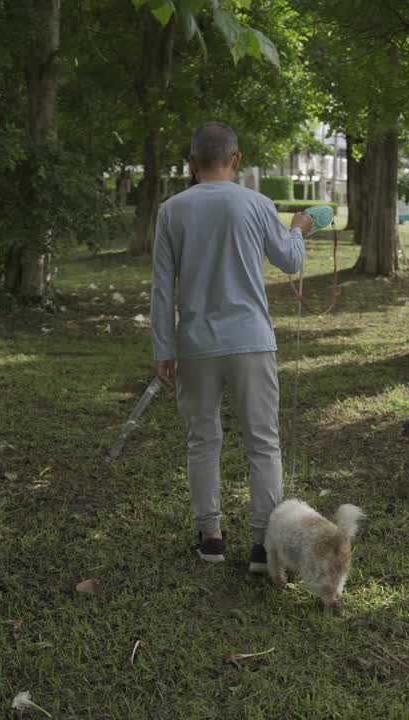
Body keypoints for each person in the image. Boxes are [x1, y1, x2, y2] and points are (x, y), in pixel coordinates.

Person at [150, 121, 314, 573]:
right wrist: (299, 227)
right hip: (252, 342)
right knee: (263, 443)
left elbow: (163, 288)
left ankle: (211, 536)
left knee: (202, 440)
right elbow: (291, 260)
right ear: (236, 160)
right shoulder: (257, 203)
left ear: (192, 164)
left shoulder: (171, 210)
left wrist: (163, 348)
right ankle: (263, 546)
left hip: (195, 344)